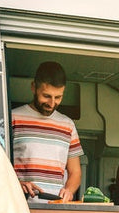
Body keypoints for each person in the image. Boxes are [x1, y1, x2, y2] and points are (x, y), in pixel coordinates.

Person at [11, 61, 83, 203]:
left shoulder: (68, 125)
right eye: (46, 96)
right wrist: (17, 185)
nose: (51, 103)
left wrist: (68, 190)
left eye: (58, 97)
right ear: (33, 87)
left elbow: (75, 172)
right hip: (20, 207)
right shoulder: (12, 118)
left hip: (55, 210)